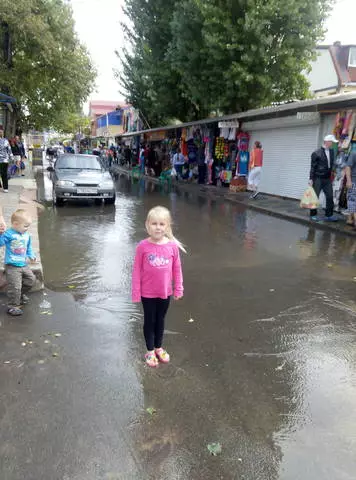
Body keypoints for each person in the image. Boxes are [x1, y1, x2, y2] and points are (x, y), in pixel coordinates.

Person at [132, 206, 184, 368]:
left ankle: (158, 347)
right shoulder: (142, 246)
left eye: (162, 224)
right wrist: (136, 292)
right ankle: (149, 350)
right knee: (149, 320)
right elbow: (136, 271)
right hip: (147, 293)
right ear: (147, 225)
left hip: (164, 292)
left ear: (167, 226)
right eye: (154, 223)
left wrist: (178, 288)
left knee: (160, 320)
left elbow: (177, 269)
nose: (158, 227)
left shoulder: (172, 247)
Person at [0, 209, 36, 316]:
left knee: (31, 280)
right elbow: (0, 243)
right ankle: (13, 306)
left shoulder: (26, 235)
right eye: (25, 226)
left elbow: (28, 247)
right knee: (15, 286)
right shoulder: (8, 234)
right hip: (12, 265)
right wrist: (1, 234)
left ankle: (19, 295)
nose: (27, 228)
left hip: (23, 264)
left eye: (28, 226)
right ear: (15, 224)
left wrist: (31, 255)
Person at [309, 134, 338, 221]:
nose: (332, 144)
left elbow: (331, 164)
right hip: (317, 178)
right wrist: (311, 179)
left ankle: (329, 215)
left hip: (327, 178)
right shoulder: (316, 153)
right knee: (315, 197)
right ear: (327, 142)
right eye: (331, 142)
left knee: (329, 196)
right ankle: (313, 215)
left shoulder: (332, 151)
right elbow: (312, 167)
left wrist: (333, 172)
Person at [345, 151, 356, 228]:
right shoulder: (354, 153)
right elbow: (348, 167)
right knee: (352, 202)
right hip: (354, 182)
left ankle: (350, 219)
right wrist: (349, 181)